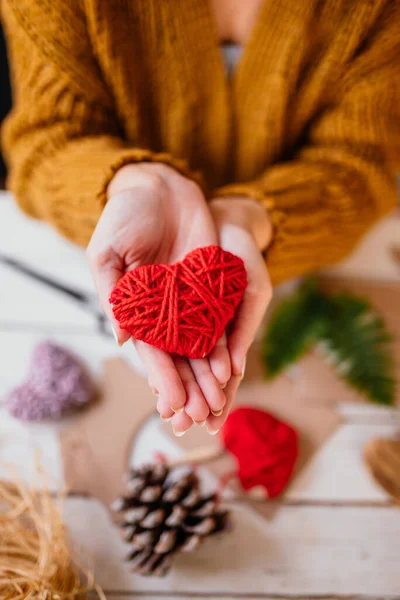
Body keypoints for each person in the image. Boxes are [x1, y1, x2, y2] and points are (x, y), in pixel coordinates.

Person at [1, 0, 399, 436]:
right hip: (128, 252)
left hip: (274, 270)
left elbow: (362, 167)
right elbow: (46, 144)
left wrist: (254, 217)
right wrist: (131, 183)